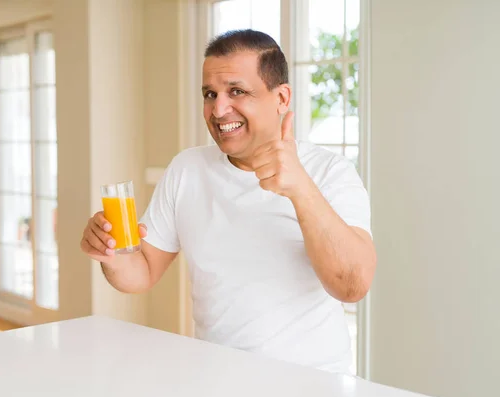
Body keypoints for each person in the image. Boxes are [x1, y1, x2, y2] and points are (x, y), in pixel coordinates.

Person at [81, 29, 377, 374]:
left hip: (312, 382)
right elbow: (142, 272)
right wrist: (112, 253)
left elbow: (353, 286)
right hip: (217, 377)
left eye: (237, 91)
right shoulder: (187, 169)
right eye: (210, 94)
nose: (219, 109)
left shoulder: (329, 172)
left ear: (281, 98)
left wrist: (300, 189)